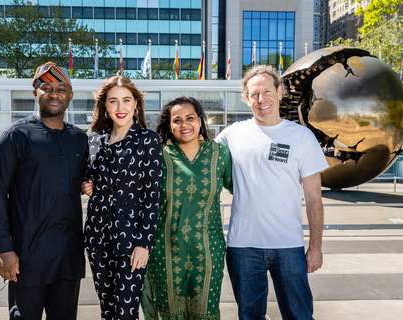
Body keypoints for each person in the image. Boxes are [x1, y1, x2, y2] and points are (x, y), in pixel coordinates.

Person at [215, 65, 329, 320]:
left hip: (288, 245)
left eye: (266, 91)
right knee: (250, 316)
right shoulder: (231, 136)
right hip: (242, 246)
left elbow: (313, 198)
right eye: (254, 94)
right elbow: (201, 163)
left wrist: (315, 247)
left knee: (299, 315)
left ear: (279, 92)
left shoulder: (301, 137)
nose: (261, 99)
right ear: (246, 99)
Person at [0, 62, 88, 320]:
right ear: (35, 93)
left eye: (61, 88)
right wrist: (3, 249)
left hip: (68, 255)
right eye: (46, 88)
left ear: (70, 96)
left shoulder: (79, 138)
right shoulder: (13, 136)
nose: (54, 94)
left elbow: (86, 179)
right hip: (26, 255)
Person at [141, 96, 233, 320]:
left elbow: (244, 190)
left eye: (190, 118)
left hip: (208, 250)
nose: (184, 125)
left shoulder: (220, 154)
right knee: (169, 314)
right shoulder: (158, 155)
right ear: (169, 126)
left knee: (206, 314)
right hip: (165, 251)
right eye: (177, 120)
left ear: (200, 121)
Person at [83, 76, 163, 320]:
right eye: (113, 101)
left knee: (126, 312)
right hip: (97, 236)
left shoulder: (147, 140)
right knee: (107, 309)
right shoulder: (95, 140)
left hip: (131, 239)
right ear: (105, 106)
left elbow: (153, 196)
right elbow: (87, 176)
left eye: (126, 100)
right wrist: (86, 185)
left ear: (136, 104)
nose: (120, 108)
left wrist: (144, 244)